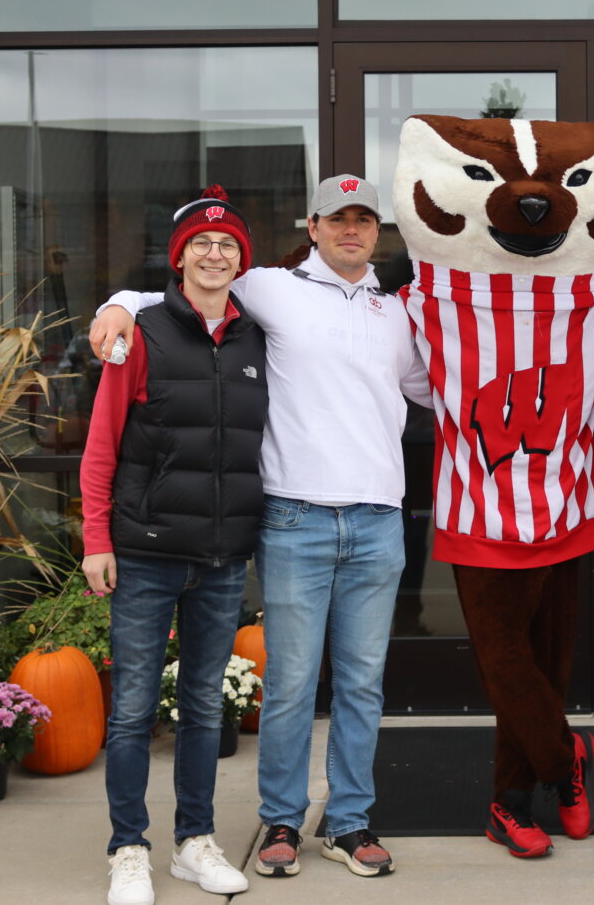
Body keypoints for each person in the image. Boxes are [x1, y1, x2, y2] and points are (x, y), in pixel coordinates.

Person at [89, 175, 428, 882]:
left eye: (364, 221)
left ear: (378, 232)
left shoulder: (399, 312)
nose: (351, 231)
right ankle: (280, 818)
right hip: (295, 514)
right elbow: (180, 296)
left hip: (377, 518)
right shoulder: (271, 286)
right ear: (313, 226)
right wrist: (119, 302)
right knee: (294, 680)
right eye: (338, 220)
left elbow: (441, 382)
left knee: (363, 682)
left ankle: (349, 821)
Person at [80, 186, 263, 905]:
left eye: (227, 245)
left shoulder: (256, 338)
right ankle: (128, 847)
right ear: (179, 257)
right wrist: (97, 537)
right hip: (148, 550)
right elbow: (100, 447)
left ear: (239, 259)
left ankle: (194, 841)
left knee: (204, 705)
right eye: (201, 244)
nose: (214, 253)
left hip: (222, 554)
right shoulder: (141, 333)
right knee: (130, 708)